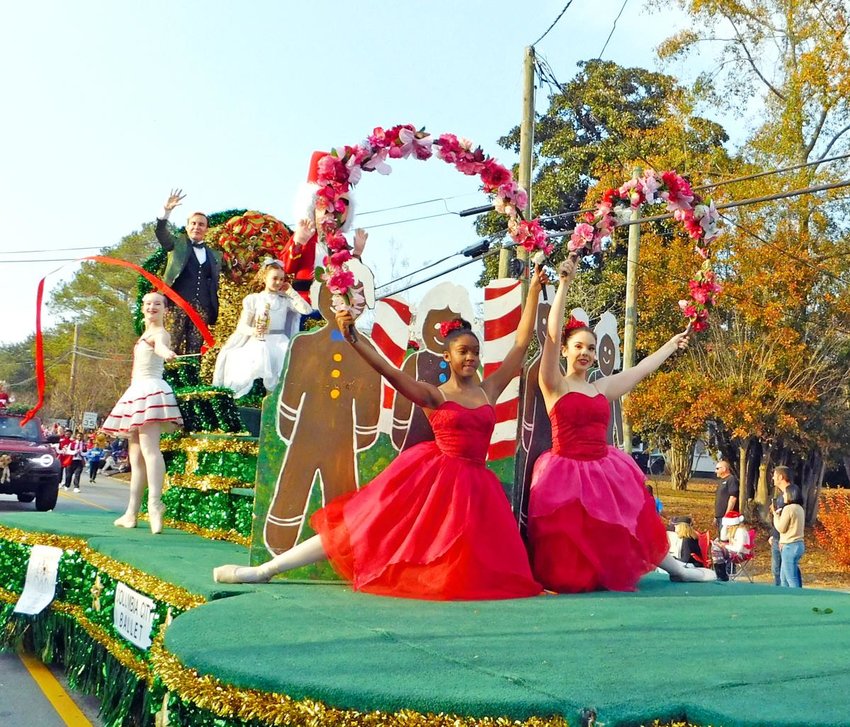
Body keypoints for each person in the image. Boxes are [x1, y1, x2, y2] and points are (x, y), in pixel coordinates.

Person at [213, 268, 551, 600]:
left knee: (466, 562)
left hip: (476, 488)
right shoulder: (435, 395)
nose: (471, 358)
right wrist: (354, 340)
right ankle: (266, 570)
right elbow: (387, 370)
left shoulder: (488, 390)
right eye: (463, 351)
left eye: (475, 352)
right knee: (356, 526)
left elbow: (521, 345)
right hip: (433, 479)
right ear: (447, 356)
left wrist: (534, 288)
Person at [527, 258, 715, 593]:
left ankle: (677, 568)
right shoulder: (553, 383)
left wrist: (672, 345)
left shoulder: (601, 387)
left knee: (636, 518)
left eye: (591, 348)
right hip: (564, 471)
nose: (585, 352)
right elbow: (552, 336)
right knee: (574, 534)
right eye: (578, 346)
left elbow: (641, 369)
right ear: (567, 351)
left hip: (604, 468)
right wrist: (564, 286)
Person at [102, 291, 182, 533]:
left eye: (157, 304)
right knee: (135, 457)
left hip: (150, 390)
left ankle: (156, 504)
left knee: (149, 449)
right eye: (148, 303)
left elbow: (161, 346)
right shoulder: (145, 333)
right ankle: (131, 512)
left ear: (165, 309)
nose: (151, 307)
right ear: (142, 307)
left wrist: (166, 353)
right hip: (136, 392)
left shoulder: (160, 333)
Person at [212, 259, 312, 398]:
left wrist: (291, 291)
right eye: (274, 278)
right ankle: (255, 398)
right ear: (264, 277)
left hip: (280, 341)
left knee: (284, 367)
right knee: (254, 360)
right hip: (260, 340)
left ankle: (273, 400)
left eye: (281, 279)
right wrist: (254, 330)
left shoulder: (285, 301)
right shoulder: (254, 299)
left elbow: (306, 310)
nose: (278, 282)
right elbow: (242, 326)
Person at [155, 189, 223, 354]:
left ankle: (191, 379)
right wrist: (166, 211)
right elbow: (161, 233)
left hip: (202, 308)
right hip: (176, 304)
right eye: (193, 223)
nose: (197, 227)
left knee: (195, 350)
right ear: (187, 227)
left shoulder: (215, 255)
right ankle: (167, 379)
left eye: (201, 224)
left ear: (206, 229)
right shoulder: (178, 244)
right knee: (171, 346)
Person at [772, 478, 805, 588]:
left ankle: (796, 599)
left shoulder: (788, 508)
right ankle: (786, 597)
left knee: (790, 578)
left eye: (785, 493)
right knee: (784, 577)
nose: (784, 496)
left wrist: (775, 515)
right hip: (799, 544)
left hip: (790, 545)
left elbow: (781, 528)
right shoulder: (799, 508)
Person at [710, 511, 750, 581]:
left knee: (716, 548)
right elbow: (723, 538)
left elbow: (739, 548)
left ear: (733, 524)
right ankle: (721, 574)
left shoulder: (741, 531)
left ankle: (721, 574)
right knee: (716, 545)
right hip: (734, 551)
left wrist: (724, 546)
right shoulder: (733, 530)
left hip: (741, 554)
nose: (727, 526)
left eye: (728, 524)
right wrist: (725, 526)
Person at [714, 459, 739, 534]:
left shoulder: (731, 479)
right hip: (719, 516)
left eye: (717, 468)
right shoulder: (721, 481)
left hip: (727, 517)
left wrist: (727, 515)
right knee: (720, 538)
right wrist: (716, 516)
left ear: (724, 469)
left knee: (725, 538)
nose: (715, 471)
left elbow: (733, 498)